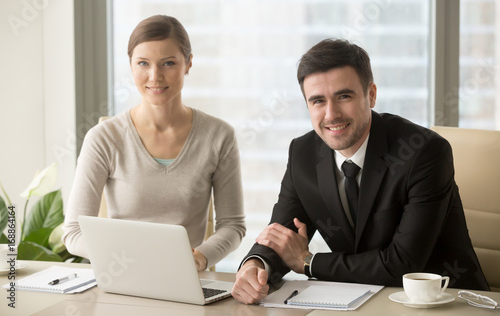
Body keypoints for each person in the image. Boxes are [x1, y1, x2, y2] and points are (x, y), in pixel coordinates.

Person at [231, 39, 489, 304]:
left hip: (443, 303)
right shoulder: (303, 153)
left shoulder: (423, 153)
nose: (331, 114)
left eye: (344, 96)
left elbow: (403, 265)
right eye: (318, 101)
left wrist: (309, 263)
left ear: (371, 94)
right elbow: (280, 234)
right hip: (356, 301)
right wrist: (255, 265)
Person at [62, 15, 245, 271]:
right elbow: (73, 232)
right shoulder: (103, 138)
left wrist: (201, 258)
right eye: (143, 63)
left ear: (188, 64)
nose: (155, 76)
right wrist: (126, 257)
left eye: (168, 63)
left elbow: (233, 226)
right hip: (121, 277)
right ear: (131, 66)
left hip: (189, 279)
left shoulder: (219, 136)